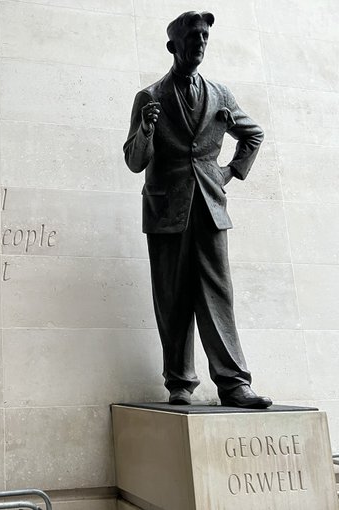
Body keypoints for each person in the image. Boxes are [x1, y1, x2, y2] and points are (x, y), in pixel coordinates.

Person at [123, 11, 272, 408]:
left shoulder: (220, 94)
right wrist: (146, 129)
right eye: (193, 36)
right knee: (172, 297)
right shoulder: (150, 97)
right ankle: (179, 383)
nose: (200, 42)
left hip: (209, 207)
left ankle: (234, 384)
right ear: (173, 45)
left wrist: (229, 172)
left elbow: (253, 134)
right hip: (165, 209)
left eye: (204, 36)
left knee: (218, 294)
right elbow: (135, 161)